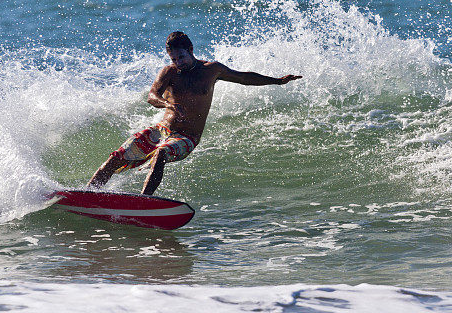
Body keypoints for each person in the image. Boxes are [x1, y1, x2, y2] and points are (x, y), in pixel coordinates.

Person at [88, 31, 302, 195]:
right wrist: (167, 105)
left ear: (190, 49)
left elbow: (244, 78)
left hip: (187, 137)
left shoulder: (211, 70)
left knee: (161, 153)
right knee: (117, 156)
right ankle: (87, 194)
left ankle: (143, 202)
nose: (178, 63)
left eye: (181, 57)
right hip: (161, 131)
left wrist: (277, 81)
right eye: (173, 59)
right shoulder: (169, 72)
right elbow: (152, 95)